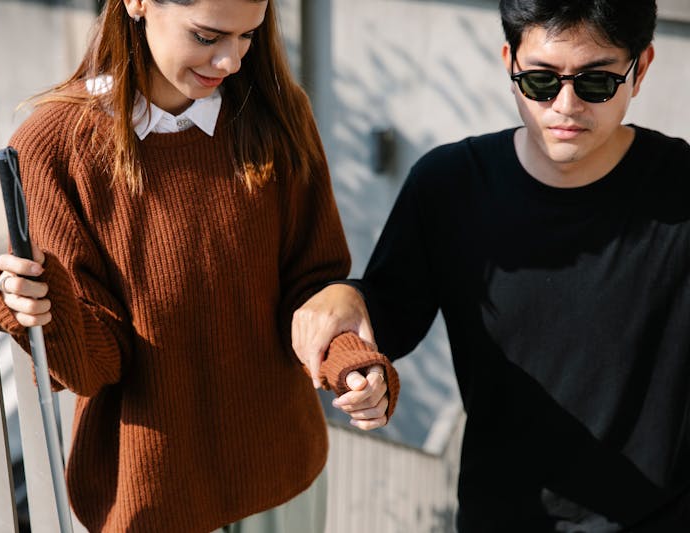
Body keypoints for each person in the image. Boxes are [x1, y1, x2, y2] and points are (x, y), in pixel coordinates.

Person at [0, 0, 400, 531]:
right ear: (137, 4)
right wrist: (38, 306)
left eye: (248, 36)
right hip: (149, 495)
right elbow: (94, 365)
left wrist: (351, 362)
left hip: (283, 476)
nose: (230, 61)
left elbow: (311, 287)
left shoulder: (277, 112)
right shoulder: (54, 149)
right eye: (208, 36)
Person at [292, 0, 690, 530]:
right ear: (510, 63)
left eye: (596, 83)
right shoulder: (449, 187)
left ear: (640, 69)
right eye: (542, 81)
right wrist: (343, 306)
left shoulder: (681, 189)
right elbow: (386, 316)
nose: (566, 106)